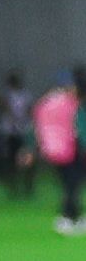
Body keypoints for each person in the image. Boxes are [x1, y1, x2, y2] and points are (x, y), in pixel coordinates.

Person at [39, 77, 81, 234]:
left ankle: (74, 216)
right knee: (71, 184)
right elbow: (76, 127)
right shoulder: (69, 104)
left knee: (69, 184)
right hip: (68, 150)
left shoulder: (46, 104)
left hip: (53, 150)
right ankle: (66, 217)